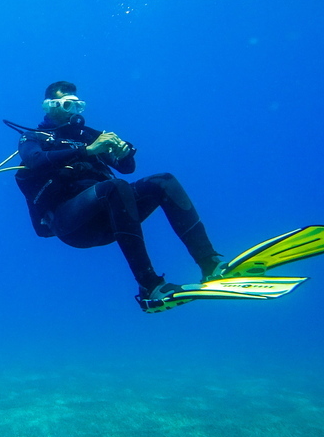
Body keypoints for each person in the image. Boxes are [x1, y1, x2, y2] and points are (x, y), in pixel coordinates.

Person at [14, 81, 226, 306]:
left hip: (112, 218)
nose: (74, 112)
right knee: (115, 187)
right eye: (68, 105)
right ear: (50, 106)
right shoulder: (34, 137)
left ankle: (210, 265)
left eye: (79, 106)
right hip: (72, 224)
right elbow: (34, 160)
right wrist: (86, 150)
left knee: (164, 181)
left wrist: (123, 153)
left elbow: (126, 168)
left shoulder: (88, 135)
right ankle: (150, 286)